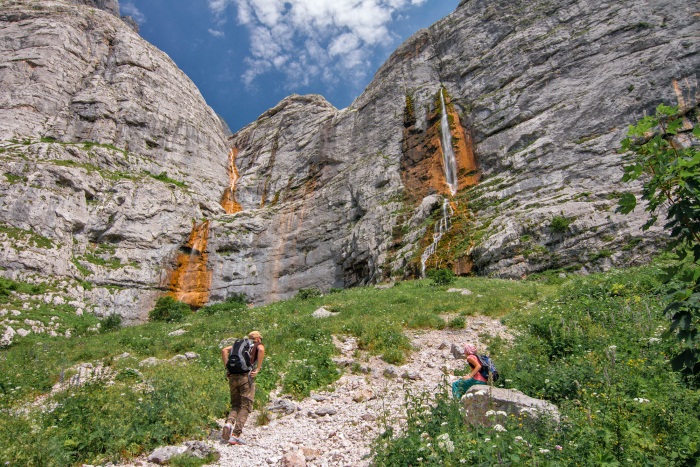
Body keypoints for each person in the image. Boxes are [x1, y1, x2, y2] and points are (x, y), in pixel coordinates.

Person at [221, 330, 265, 445]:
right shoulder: (256, 344)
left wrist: (228, 368)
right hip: (245, 377)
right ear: (258, 338)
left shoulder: (239, 344)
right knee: (245, 406)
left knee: (236, 404)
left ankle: (228, 423)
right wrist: (258, 368)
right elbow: (261, 350)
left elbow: (224, 350)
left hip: (232, 377)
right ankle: (236, 434)